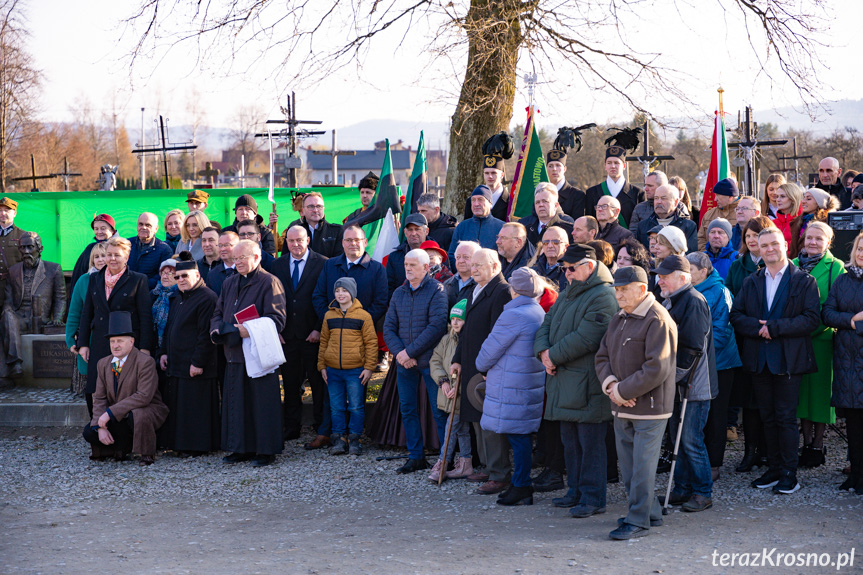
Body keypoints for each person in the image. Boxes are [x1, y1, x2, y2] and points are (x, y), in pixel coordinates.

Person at [729, 228, 821, 494]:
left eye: (774, 244)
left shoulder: (804, 281)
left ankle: (789, 474)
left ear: (785, 244)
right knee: (766, 417)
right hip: (759, 360)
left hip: (789, 360)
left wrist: (775, 327)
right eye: (763, 244)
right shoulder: (752, 281)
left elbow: (812, 319)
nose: (769, 249)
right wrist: (759, 328)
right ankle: (774, 468)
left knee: (785, 417)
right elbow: (737, 315)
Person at [535, 244, 617, 517]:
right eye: (564, 269)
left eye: (571, 268)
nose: (566, 274)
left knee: (590, 443)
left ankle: (593, 498)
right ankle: (575, 491)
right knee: (570, 442)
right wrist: (543, 353)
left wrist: (552, 357)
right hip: (565, 379)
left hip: (587, 383)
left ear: (589, 267)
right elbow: (546, 324)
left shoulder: (603, 295)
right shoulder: (571, 290)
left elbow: (587, 337)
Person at [596, 266, 677, 540]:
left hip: (651, 408)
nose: (618, 295)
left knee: (641, 468)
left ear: (642, 290)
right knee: (630, 468)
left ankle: (638, 520)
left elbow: (657, 367)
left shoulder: (657, 319)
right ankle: (649, 511)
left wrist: (622, 390)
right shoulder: (619, 317)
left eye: (623, 290)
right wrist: (611, 386)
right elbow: (602, 356)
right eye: (616, 290)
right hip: (622, 404)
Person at [210, 239, 287, 467]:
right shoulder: (229, 282)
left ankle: (265, 450)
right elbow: (218, 311)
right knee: (236, 403)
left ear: (257, 257)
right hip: (233, 352)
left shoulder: (269, 282)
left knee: (260, 404)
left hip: (257, 354)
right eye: (235, 259)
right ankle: (239, 447)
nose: (238, 263)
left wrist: (248, 330)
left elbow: (277, 319)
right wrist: (216, 328)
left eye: (242, 258)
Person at [475, 267, 546, 506]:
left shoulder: (513, 315)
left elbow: (489, 351)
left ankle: (522, 486)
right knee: (521, 435)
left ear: (514, 289)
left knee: (518, 437)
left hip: (512, 384)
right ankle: (519, 484)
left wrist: (480, 365)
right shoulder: (537, 310)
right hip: (528, 382)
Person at [654, 255, 717, 513]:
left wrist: (674, 377)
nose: (659, 281)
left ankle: (703, 492)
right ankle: (681, 487)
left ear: (682, 278)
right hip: (679, 383)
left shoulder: (692, 300)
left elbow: (692, 348)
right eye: (659, 276)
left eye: (664, 276)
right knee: (677, 439)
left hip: (694, 384)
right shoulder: (674, 300)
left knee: (690, 438)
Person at [451, 248, 513, 495]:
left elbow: (499, 335)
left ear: (495, 266)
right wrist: (457, 359)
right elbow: (465, 331)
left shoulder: (501, 292)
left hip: (487, 368)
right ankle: (488, 466)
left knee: (490, 423)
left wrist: (489, 367)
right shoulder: (473, 289)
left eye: (480, 265)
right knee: (477, 420)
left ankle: (499, 474)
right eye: (472, 265)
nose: (474, 269)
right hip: (471, 364)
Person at [384, 249, 449, 472]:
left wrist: (408, 353)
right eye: (406, 264)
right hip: (404, 363)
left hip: (430, 363)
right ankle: (416, 456)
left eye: (413, 265)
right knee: (408, 409)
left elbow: (436, 327)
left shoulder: (437, 290)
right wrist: (401, 354)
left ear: (426, 267)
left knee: (439, 411)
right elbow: (389, 327)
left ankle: (445, 460)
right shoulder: (398, 293)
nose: (408, 268)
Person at [78, 237, 154, 418]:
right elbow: (87, 312)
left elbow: (145, 317)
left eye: (116, 255)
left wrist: (145, 347)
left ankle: (121, 436)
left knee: (122, 388)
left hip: (127, 344)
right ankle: (97, 426)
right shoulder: (94, 279)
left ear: (126, 257)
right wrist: (83, 343)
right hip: (99, 342)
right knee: (95, 387)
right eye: (108, 255)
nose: (111, 259)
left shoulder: (138, 280)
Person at [791, 221, 845, 468]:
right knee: (801, 393)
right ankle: (806, 441)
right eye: (809, 237)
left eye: (818, 239)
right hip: (795, 340)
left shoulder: (836, 268)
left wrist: (813, 327)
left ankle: (818, 445)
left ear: (828, 242)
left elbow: (837, 304)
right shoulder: (791, 265)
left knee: (820, 393)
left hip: (822, 339)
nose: (812, 242)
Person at [83, 311, 169, 466]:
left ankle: (146, 453)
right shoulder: (103, 363)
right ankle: (118, 449)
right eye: (112, 341)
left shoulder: (145, 362)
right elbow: (100, 397)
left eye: (120, 341)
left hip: (145, 410)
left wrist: (109, 413)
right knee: (89, 431)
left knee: (138, 415)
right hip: (119, 415)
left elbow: (143, 396)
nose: (115, 345)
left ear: (131, 342)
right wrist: (99, 425)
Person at [271, 225, 330, 446]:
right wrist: (276, 329)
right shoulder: (277, 265)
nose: (295, 244)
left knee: (317, 382)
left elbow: (326, 298)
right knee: (290, 382)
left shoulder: (323, 263)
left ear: (308, 241)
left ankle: (320, 426)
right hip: (287, 335)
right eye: (291, 240)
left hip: (313, 334)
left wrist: (317, 327)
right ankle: (292, 426)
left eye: (299, 240)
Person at [724, 216, 774, 473]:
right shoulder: (737, 266)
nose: (753, 240)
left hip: (773, 339)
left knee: (770, 401)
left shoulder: (776, 265)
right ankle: (750, 451)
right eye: (748, 236)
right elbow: (732, 301)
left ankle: (769, 452)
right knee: (749, 401)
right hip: (746, 340)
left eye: (757, 235)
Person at [687, 251, 742, 480]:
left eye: (690, 270)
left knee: (716, 415)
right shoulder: (686, 291)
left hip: (720, 363)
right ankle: (695, 462)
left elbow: (721, 330)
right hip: (696, 362)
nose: (686, 274)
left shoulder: (720, 292)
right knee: (698, 415)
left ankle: (714, 464)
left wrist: (697, 353)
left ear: (703, 271)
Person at [158, 254, 220, 454]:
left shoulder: (207, 298)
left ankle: (196, 447)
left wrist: (198, 363)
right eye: (177, 277)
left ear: (196, 274)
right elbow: (170, 328)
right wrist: (164, 353)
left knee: (195, 409)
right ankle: (179, 445)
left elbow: (205, 335)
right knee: (181, 408)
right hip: (177, 364)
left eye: (185, 276)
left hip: (195, 366)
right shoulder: (179, 297)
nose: (181, 280)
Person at [317, 277, 377, 456]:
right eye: (337, 291)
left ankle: (355, 439)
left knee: (356, 406)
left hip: (355, 371)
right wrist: (322, 366)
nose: (340, 294)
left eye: (344, 290)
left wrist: (369, 367)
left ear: (352, 293)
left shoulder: (363, 316)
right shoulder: (329, 315)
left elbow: (371, 343)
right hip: (333, 370)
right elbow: (323, 341)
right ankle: (338, 438)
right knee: (336, 406)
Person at [822, 231, 863, 491]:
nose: (861, 254)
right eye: (859, 249)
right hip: (848, 362)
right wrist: (852, 321)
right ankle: (855, 474)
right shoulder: (843, 280)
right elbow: (827, 313)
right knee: (854, 425)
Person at [0, 232, 66, 382]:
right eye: (22, 248)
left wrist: (57, 319)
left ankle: (7, 372)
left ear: (40, 248)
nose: (26, 252)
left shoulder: (53, 269)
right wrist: (7, 309)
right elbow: (8, 299)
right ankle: (15, 364)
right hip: (17, 317)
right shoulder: (13, 270)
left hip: (39, 318)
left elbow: (60, 297)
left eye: (30, 247)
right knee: (7, 316)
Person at [428, 299, 472, 482]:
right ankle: (465, 463)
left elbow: (470, 369)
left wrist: (457, 388)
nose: (455, 322)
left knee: (450, 427)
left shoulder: (470, 341)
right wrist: (443, 381)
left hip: (462, 395)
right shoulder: (446, 339)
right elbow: (435, 361)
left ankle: (443, 462)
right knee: (461, 429)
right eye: (453, 318)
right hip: (447, 393)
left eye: (459, 319)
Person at [313, 225, 388, 324]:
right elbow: (319, 296)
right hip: (332, 330)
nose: (353, 243)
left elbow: (380, 302)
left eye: (357, 240)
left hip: (363, 332)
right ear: (343, 243)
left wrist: (359, 323)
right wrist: (330, 319)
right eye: (348, 240)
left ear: (365, 242)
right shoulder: (329, 265)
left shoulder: (377, 269)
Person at [66, 243, 108, 397]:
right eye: (96, 256)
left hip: (110, 336)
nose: (100, 259)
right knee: (92, 383)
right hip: (89, 336)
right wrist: (71, 339)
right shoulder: (83, 280)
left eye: (103, 255)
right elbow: (74, 313)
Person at [585, 144, 643, 228]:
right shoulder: (592, 192)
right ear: (605, 166)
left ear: (624, 166)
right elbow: (590, 224)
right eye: (609, 163)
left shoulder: (638, 193)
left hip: (628, 240)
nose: (613, 166)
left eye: (616, 163)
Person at [448, 185, 506, 263]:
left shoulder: (502, 228)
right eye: (473, 200)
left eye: (480, 200)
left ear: (490, 203)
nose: (476, 204)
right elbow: (452, 255)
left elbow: (506, 256)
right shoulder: (462, 227)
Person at [635, 184, 698, 253]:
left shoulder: (688, 226)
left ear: (675, 202)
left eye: (663, 198)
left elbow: (690, 254)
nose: (658, 202)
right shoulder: (643, 226)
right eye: (656, 198)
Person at [71, 214, 118, 296]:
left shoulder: (120, 248)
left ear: (112, 230)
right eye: (96, 229)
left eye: (103, 229)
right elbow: (78, 274)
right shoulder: (90, 248)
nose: (99, 232)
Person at [285, 192, 343, 258]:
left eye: (319, 206)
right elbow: (286, 259)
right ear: (303, 211)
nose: (315, 210)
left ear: (323, 209)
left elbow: (340, 261)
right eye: (311, 206)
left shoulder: (337, 231)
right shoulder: (293, 231)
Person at [788, 187, 840, 259]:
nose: (803, 201)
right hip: (797, 263)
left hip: (818, 262)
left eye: (808, 199)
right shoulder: (797, 221)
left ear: (819, 202)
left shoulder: (826, 222)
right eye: (804, 198)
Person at [387, 213, 429, 298]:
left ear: (426, 231)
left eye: (417, 229)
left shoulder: (438, 254)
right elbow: (389, 287)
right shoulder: (394, 258)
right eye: (410, 230)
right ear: (405, 233)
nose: (413, 233)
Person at [127, 213, 173, 290]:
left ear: (156, 228)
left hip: (148, 294)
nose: (143, 227)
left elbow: (162, 276)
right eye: (140, 224)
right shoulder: (126, 244)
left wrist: (139, 286)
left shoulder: (165, 250)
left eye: (148, 225)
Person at [463, 153, 510, 221]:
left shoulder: (510, 201)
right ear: (483, 174)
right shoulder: (471, 201)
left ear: (501, 175)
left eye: (494, 173)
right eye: (487, 173)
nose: (490, 176)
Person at [697, 178, 739, 251]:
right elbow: (701, 239)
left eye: (718, 195)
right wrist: (708, 255)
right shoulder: (709, 215)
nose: (715, 199)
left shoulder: (745, 212)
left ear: (730, 197)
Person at [545, 146, 586, 219]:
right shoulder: (541, 193)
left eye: (558, 165)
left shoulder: (577, 195)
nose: (554, 169)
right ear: (546, 169)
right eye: (550, 166)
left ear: (564, 169)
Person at [0, 197, 25, 309]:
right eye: (0, 210)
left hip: (13, 288)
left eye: (7, 210)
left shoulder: (23, 236)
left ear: (14, 213)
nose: (2, 213)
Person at [528, 226, 569, 292]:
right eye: (546, 243)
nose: (550, 246)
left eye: (555, 242)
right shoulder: (533, 271)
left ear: (566, 246)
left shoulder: (571, 272)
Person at [151, 257, 178, 350]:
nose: (165, 276)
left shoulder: (181, 296)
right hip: (153, 344)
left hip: (172, 346)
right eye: (163, 273)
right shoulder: (154, 293)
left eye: (170, 273)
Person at [443, 241, 479, 310]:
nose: (461, 261)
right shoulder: (446, 284)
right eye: (458, 257)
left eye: (466, 257)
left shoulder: (482, 284)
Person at [770, 182, 802, 252]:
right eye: (777, 196)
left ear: (793, 199)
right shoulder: (772, 223)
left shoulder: (802, 221)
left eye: (782, 196)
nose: (778, 200)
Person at [206, 231, 239, 296]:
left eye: (227, 245)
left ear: (238, 246)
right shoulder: (212, 275)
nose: (222, 249)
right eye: (220, 245)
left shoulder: (245, 270)